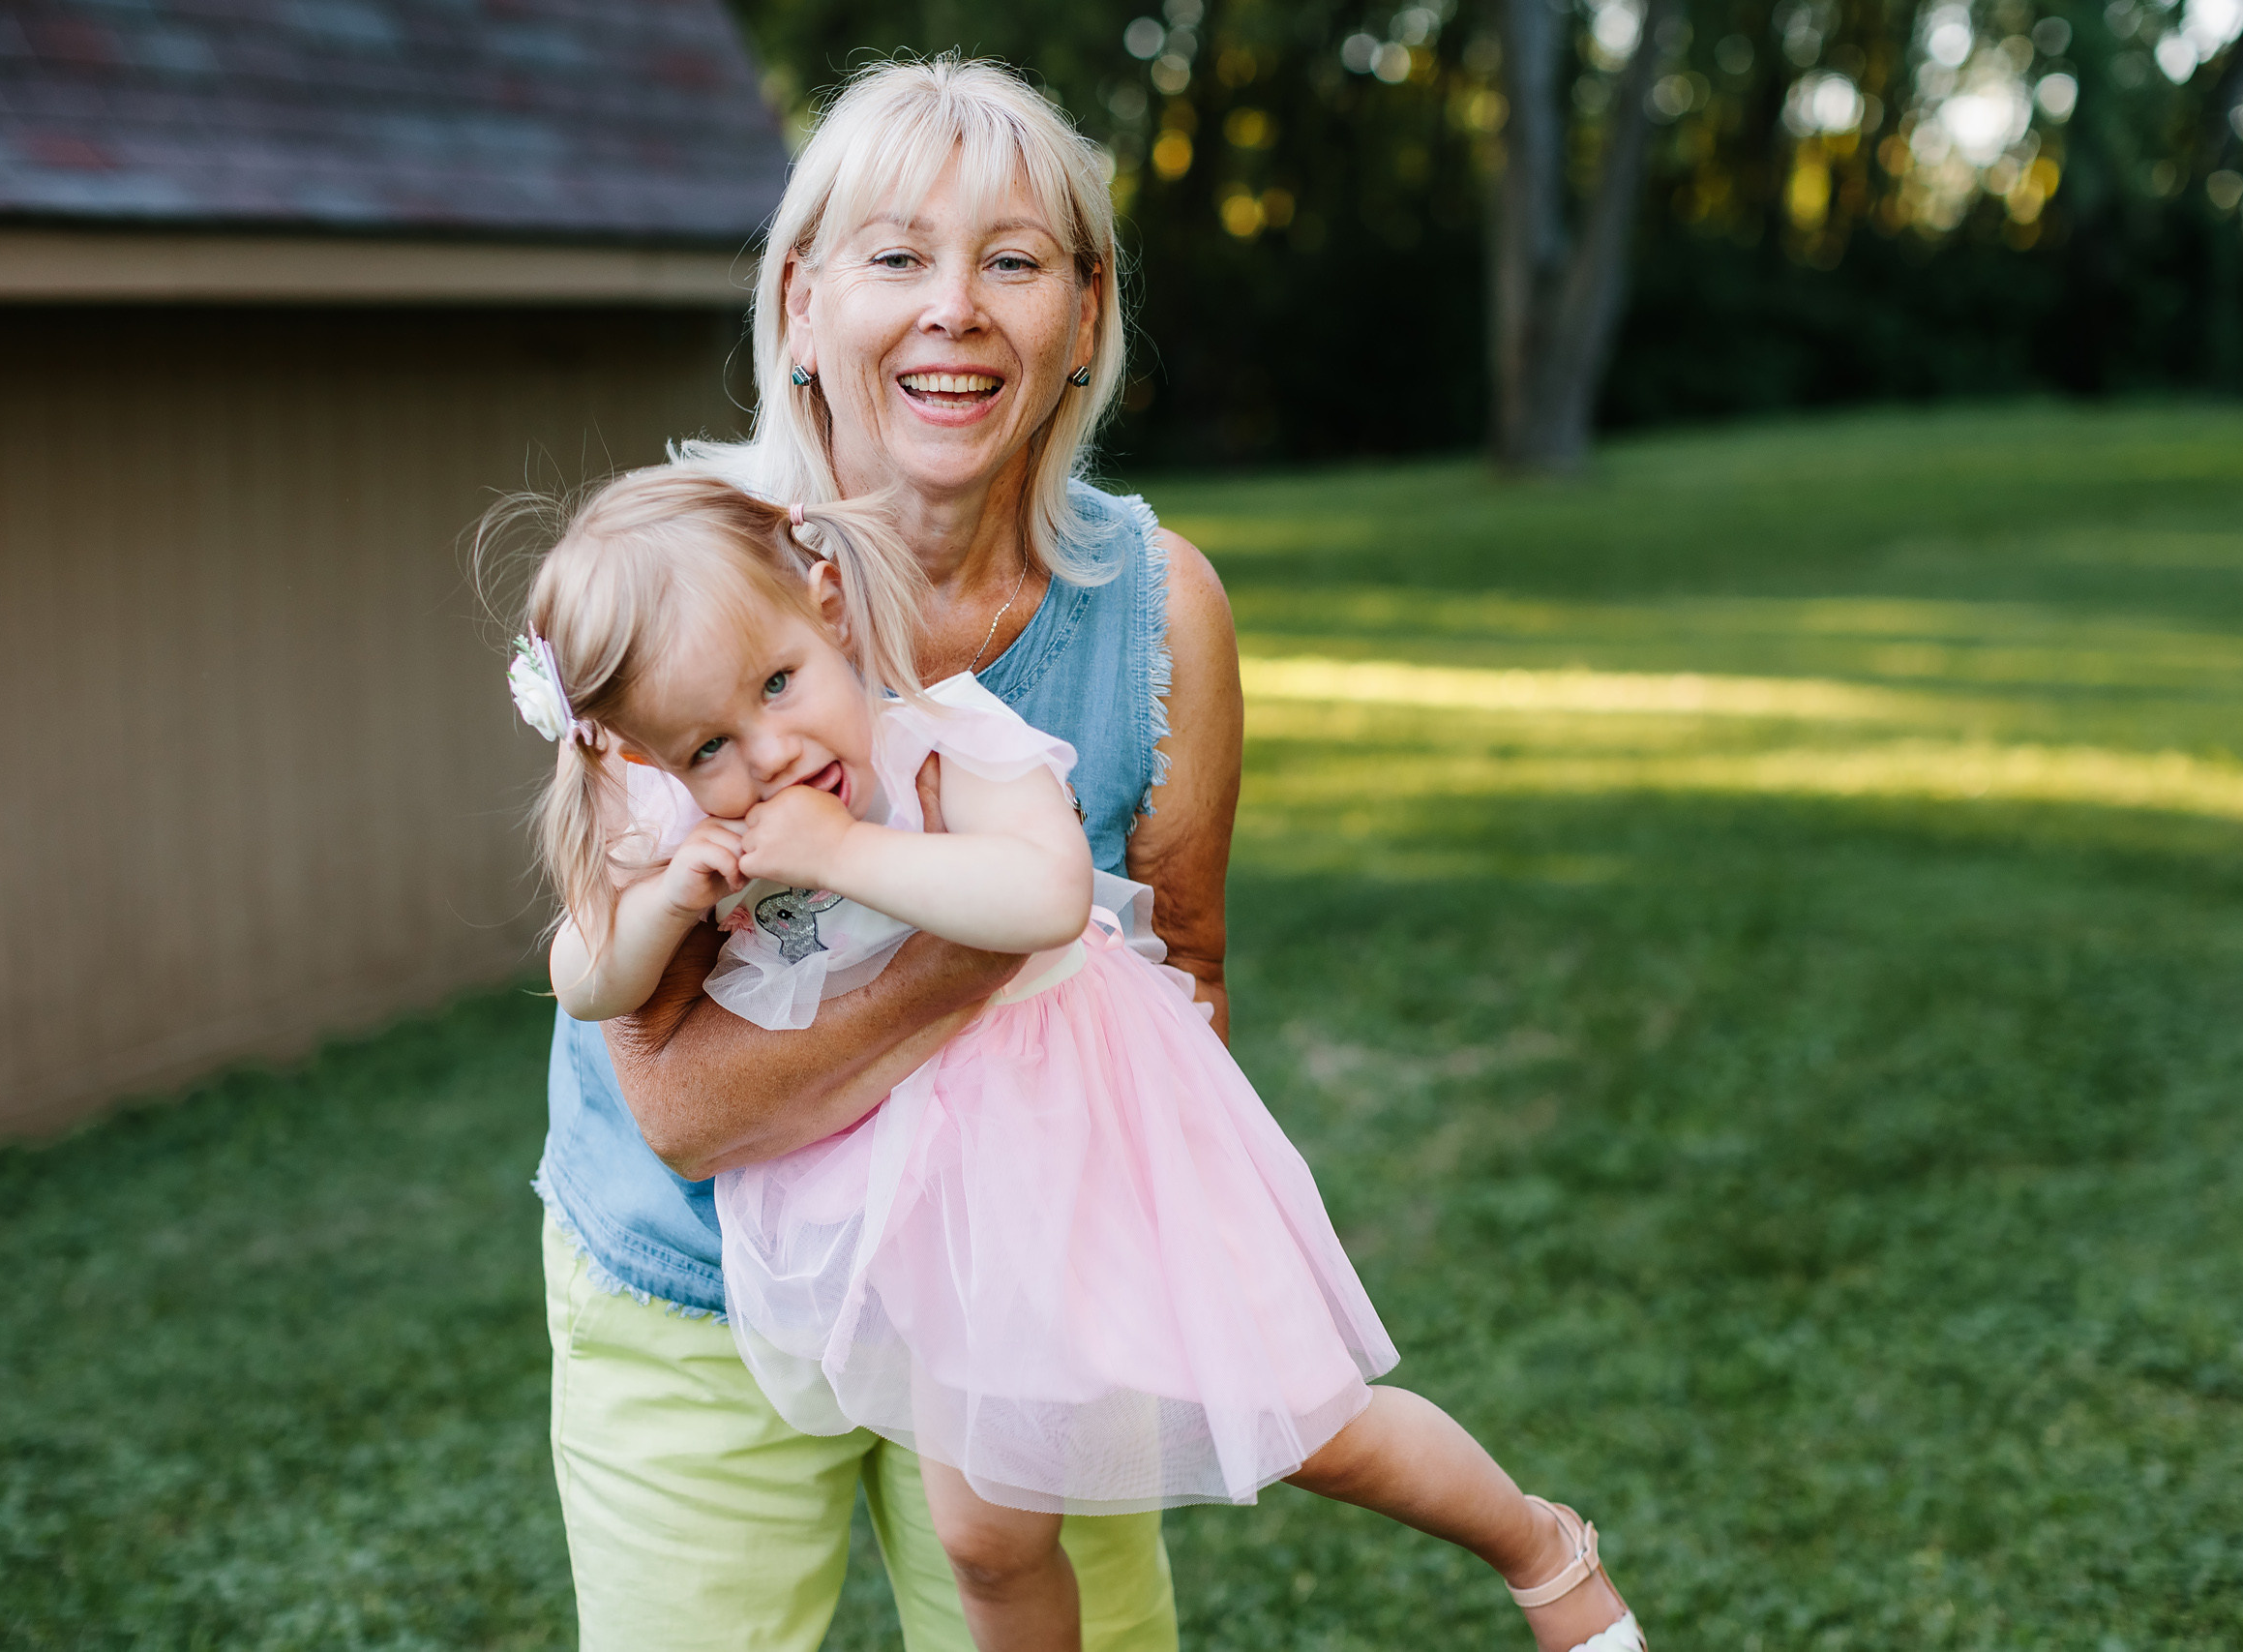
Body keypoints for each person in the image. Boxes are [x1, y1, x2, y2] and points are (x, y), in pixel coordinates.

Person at [505, 468, 1646, 1652]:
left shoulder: (949, 737)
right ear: (648, 759)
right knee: (987, 1546)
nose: (771, 752)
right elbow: (587, 980)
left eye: (781, 684)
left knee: (1296, 1413)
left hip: (1074, 1132)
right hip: (934, 1212)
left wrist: (841, 852)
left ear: (830, 609)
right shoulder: (708, 815)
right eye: (706, 746)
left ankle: (1540, 1552)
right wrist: (661, 901)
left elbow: (1046, 896)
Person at [522, 57, 1212, 1652]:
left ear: (1087, 315)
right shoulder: (669, 576)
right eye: (896, 255)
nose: (953, 308)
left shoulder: (1156, 604)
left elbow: (1190, 959)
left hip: (1024, 1278)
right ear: (800, 299)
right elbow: (685, 1104)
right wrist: (996, 943)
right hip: (688, 1286)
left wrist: (1140, 1261)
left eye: (1015, 259)